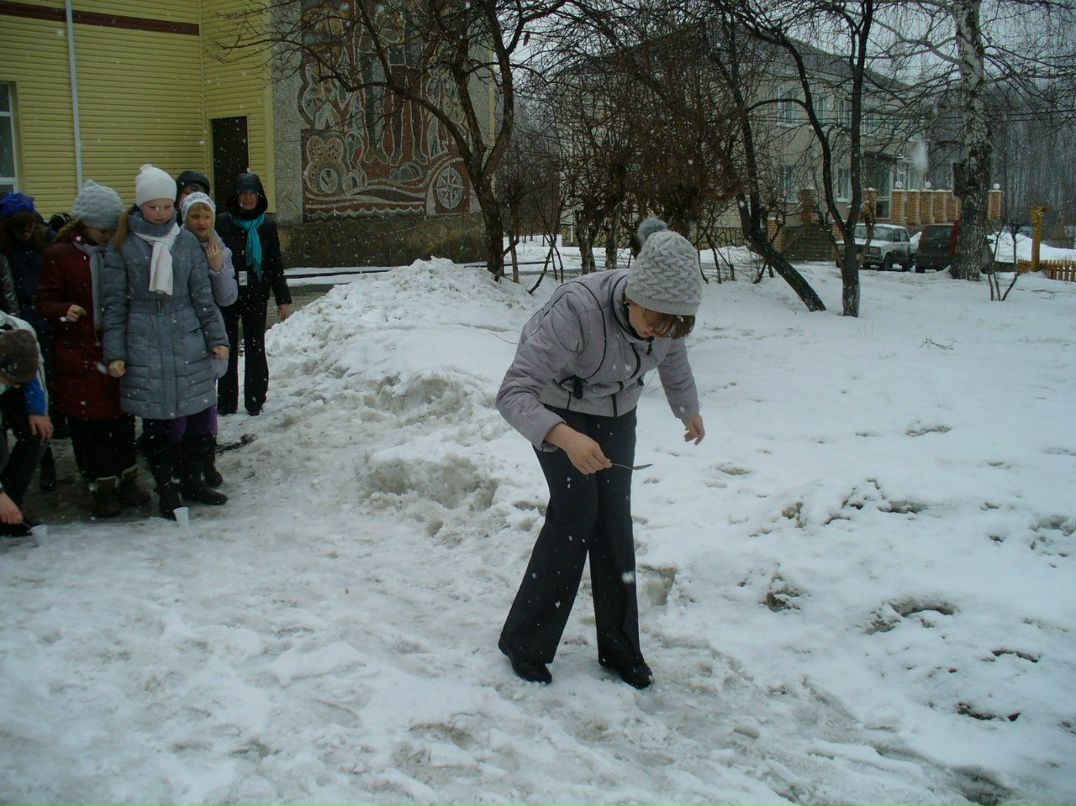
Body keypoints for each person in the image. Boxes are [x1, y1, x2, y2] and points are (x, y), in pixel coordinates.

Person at [496, 219, 705, 688]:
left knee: (614, 520)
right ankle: (525, 642)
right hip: (555, 406)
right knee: (576, 513)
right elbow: (513, 393)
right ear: (633, 294)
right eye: (652, 323)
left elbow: (673, 359)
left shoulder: (665, 322)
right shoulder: (578, 309)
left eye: (670, 328)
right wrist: (564, 436)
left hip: (616, 413)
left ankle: (621, 650)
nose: (657, 336)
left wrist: (687, 409)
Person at [101, 165, 229, 520]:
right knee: (159, 424)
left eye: (166, 207)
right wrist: (116, 352)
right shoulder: (123, 245)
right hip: (144, 340)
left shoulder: (186, 241)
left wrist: (217, 338)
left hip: (187, 336)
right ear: (140, 206)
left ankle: (193, 480)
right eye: (152, 207)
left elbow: (203, 296)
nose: (160, 214)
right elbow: (113, 304)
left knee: (198, 418)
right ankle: (168, 488)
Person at [36, 180, 151, 517]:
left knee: (121, 419)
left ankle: (127, 478)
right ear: (84, 223)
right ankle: (100, 485)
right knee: (90, 425)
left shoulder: (120, 249)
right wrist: (63, 311)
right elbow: (44, 299)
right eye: (101, 229)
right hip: (79, 352)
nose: (107, 235)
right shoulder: (60, 256)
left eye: (112, 228)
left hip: (115, 347)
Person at [171, 190, 237, 496]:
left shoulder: (219, 247)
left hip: (209, 333)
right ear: (185, 218)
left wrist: (217, 267)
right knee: (183, 403)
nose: (201, 221)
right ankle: (183, 467)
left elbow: (227, 297)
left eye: (206, 215)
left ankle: (206, 462)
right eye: (194, 216)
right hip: (181, 333)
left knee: (206, 401)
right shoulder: (172, 247)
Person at [216, 172, 291, 416]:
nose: (247, 199)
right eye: (243, 194)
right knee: (227, 346)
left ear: (259, 197)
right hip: (228, 293)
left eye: (252, 194)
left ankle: (255, 399)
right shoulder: (222, 223)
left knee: (255, 346)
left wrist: (282, 298)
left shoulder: (266, 226)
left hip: (256, 295)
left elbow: (274, 263)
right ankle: (226, 401)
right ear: (236, 197)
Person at [0, 192, 59, 492]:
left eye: (29, 226)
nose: (25, 232)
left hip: (44, 324)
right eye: (18, 226)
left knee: (42, 393)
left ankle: (45, 457)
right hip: (14, 331)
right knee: (22, 402)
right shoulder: (5, 253)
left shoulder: (47, 245)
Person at [0, 319, 52, 537]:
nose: (17, 386)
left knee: (36, 434)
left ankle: (8, 515)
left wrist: (38, 409)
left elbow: (35, 372)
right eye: (12, 382)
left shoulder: (23, 331)